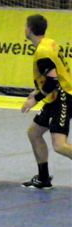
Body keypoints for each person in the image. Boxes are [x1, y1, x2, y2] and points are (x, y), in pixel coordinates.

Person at [20, 14, 72, 190]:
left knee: (59, 145)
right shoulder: (49, 43)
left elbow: (52, 81)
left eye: (26, 26)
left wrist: (34, 99)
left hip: (63, 97)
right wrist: (37, 90)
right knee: (34, 133)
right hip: (55, 96)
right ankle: (43, 178)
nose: (24, 29)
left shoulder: (42, 53)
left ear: (30, 29)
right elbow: (55, 75)